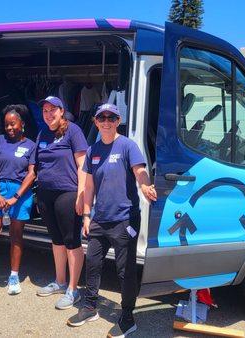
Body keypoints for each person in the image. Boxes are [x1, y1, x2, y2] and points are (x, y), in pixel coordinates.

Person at [66, 103, 157, 337]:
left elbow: (139, 171)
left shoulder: (127, 146)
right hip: (99, 219)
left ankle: (128, 317)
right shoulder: (93, 150)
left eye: (111, 117)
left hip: (124, 220)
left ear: (118, 121)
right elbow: (89, 185)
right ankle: (89, 307)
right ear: (95, 122)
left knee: (125, 270)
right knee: (93, 264)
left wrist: (145, 185)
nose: (106, 121)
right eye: (101, 117)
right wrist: (87, 215)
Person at [0, 105, 36, 296]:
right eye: (6, 125)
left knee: (16, 235)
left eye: (13, 124)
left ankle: (14, 276)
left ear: (22, 124)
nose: (9, 128)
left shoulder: (31, 146)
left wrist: (15, 197)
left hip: (21, 192)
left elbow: (32, 173)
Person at [34, 96, 87, 309]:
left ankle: (73, 290)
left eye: (52, 110)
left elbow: (83, 165)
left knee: (71, 241)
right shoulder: (42, 133)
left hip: (68, 193)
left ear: (61, 111)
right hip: (46, 193)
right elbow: (36, 163)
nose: (48, 114)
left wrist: (82, 196)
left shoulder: (73, 131)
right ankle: (60, 281)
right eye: (45, 111)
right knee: (56, 240)